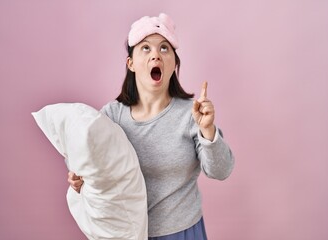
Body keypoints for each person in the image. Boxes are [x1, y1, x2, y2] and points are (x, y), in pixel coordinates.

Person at [68, 13, 234, 239]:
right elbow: (93, 169)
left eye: (164, 48)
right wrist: (80, 180)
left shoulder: (191, 114)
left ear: (174, 63)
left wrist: (208, 130)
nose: (156, 54)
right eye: (145, 48)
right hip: (128, 234)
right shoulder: (111, 116)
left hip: (183, 232)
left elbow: (221, 171)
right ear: (131, 63)